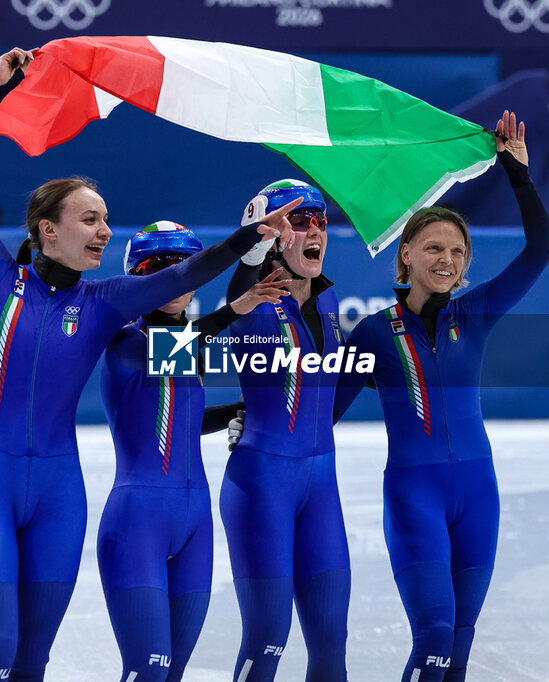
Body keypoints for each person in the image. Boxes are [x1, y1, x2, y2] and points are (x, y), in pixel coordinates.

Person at [0, 48, 295, 682]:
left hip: (59, 495)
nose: (102, 231)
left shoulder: (105, 306)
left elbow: (184, 280)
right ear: (46, 229)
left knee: (30, 662)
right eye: (88, 219)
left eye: (105, 221)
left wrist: (251, 240)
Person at [333, 111, 549, 681]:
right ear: (405, 254)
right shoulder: (374, 333)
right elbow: (323, 411)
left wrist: (519, 175)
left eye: (457, 253)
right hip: (416, 497)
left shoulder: (474, 314)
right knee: (434, 634)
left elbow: (541, 250)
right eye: (433, 248)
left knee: (458, 644)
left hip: (478, 493)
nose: (446, 261)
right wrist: (243, 418)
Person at [98, 221, 292, 682]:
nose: (174, 276)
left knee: (174, 671)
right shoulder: (125, 342)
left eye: (183, 266)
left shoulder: (187, 348)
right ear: (138, 275)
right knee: (147, 669)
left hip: (194, 525)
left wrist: (239, 412)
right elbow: (174, 346)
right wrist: (238, 307)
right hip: (137, 523)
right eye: (159, 267)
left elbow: (182, 420)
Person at [219, 179, 351, 681]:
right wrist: (254, 242)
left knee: (331, 641)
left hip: (321, 485)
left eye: (320, 219)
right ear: (271, 237)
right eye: (299, 220)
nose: (315, 228)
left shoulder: (330, 303)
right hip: (261, 486)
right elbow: (238, 290)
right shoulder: (252, 302)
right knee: (269, 636)